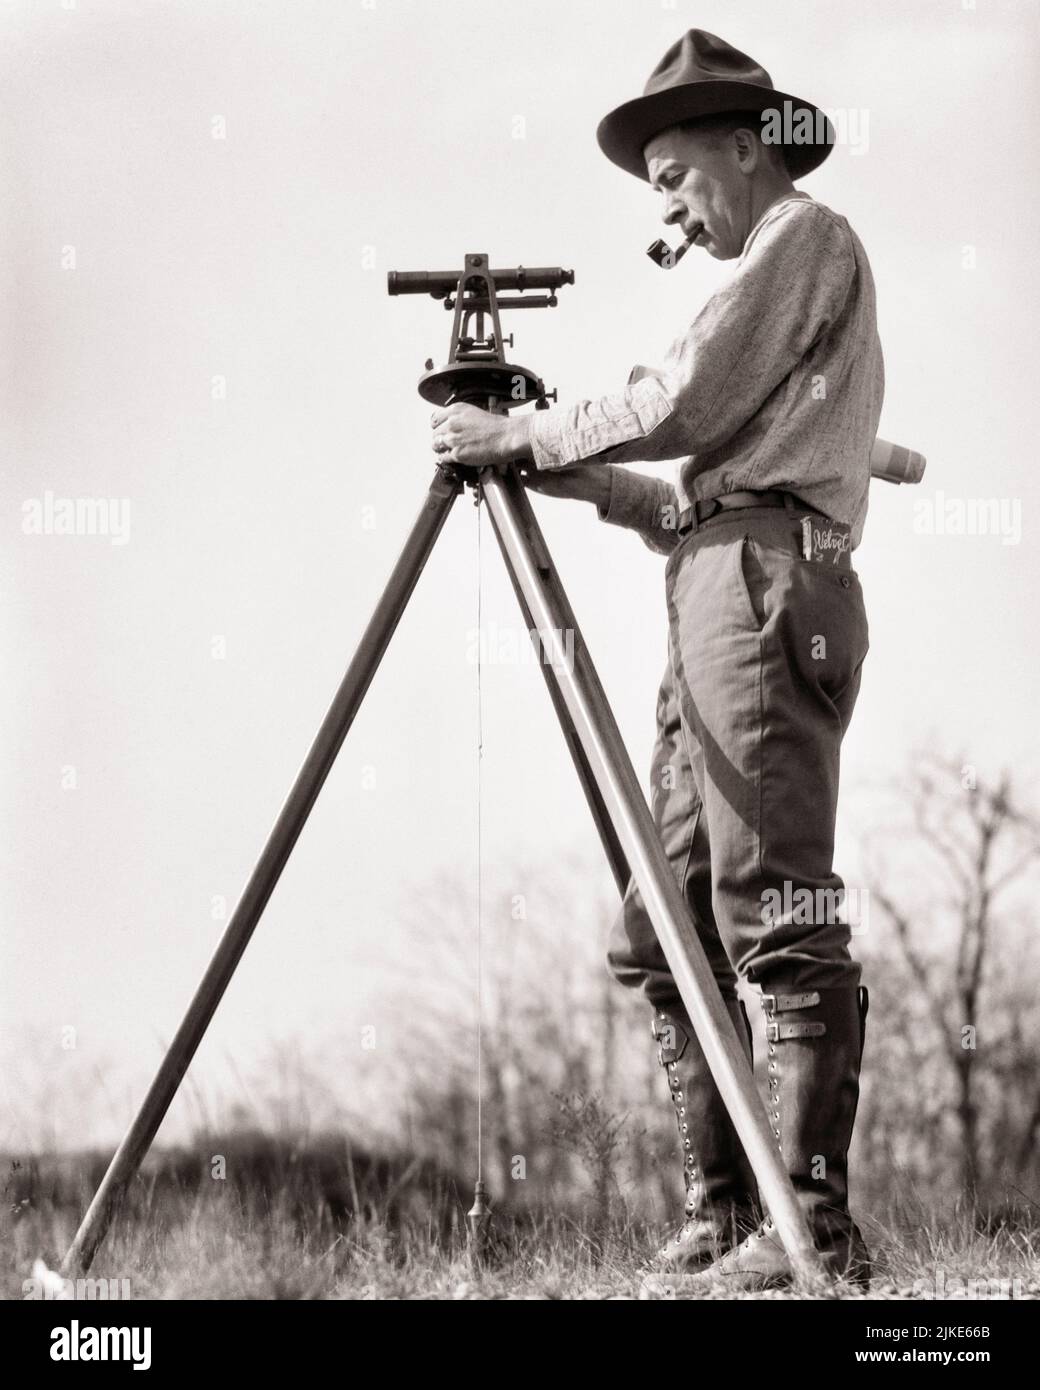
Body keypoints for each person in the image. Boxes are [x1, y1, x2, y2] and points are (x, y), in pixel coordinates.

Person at [429, 28, 882, 1289]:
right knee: (663, 921)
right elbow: (687, 492)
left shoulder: (806, 241)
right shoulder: (765, 292)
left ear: (747, 147)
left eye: (677, 176)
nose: (668, 208)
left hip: (762, 588)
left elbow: (681, 398)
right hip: (712, 582)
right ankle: (727, 1212)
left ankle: (813, 1228)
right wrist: (552, 467)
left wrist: (526, 426)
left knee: (767, 901)